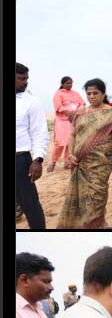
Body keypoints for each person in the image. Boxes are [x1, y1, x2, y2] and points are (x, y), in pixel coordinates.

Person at [56, 78, 112, 229]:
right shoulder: (80, 113)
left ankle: (97, 224)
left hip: (101, 162)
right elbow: (72, 135)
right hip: (80, 162)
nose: (91, 96)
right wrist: (70, 154)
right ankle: (92, 226)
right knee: (82, 197)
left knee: (97, 194)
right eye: (89, 93)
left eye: (95, 93)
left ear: (103, 94)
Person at [14, 62, 50, 229]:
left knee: (30, 204)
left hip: (20, 161)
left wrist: (38, 159)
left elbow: (39, 133)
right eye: (21, 78)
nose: (26, 82)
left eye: (27, 78)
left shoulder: (31, 102)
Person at [48, 76, 84, 172]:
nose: (69, 85)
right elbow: (58, 106)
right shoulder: (59, 93)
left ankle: (67, 162)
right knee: (59, 143)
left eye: (71, 83)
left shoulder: (76, 93)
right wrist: (69, 113)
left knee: (70, 142)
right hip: (62, 121)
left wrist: (76, 113)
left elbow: (82, 104)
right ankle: (53, 162)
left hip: (73, 120)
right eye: (67, 83)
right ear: (63, 84)